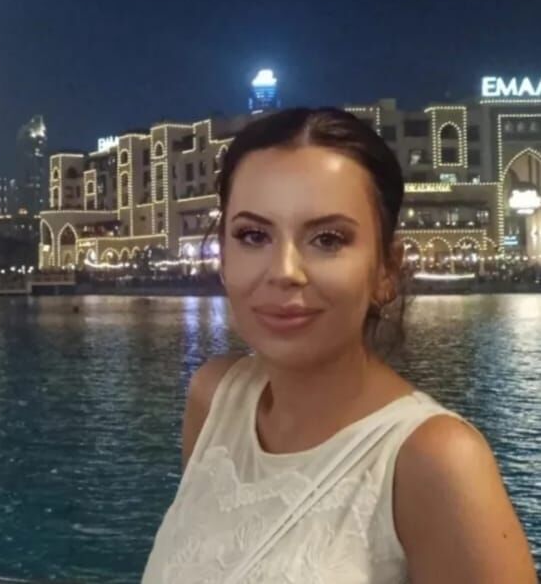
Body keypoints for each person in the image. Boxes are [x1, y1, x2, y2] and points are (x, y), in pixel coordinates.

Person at [142, 108, 536, 584]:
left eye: (328, 239)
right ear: (223, 257)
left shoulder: (434, 461)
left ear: (386, 270)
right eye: (253, 236)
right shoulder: (214, 400)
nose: (284, 271)